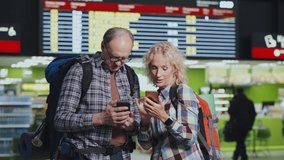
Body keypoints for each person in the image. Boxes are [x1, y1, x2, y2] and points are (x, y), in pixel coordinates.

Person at [54, 27, 141, 160]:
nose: (118, 63)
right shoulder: (80, 71)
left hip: (121, 155)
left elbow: (137, 121)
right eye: (113, 57)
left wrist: (131, 125)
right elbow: (60, 120)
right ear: (103, 46)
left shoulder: (130, 75)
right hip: (87, 155)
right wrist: (101, 118)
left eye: (124, 58)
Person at [136, 42, 204, 160]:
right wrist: (145, 122)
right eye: (154, 68)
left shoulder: (183, 91)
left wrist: (163, 117)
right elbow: (145, 145)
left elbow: (189, 138)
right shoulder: (156, 99)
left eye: (164, 68)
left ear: (175, 68)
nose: (158, 74)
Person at [228, 88, 256, 160]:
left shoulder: (234, 102)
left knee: (240, 141)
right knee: (240, 140)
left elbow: (230, 111)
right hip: (246, 126)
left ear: (236, 92)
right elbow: (253, 114)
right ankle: (236, 156)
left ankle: (244, 157)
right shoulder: (249, 102)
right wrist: (250, 124)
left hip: (236, 125)